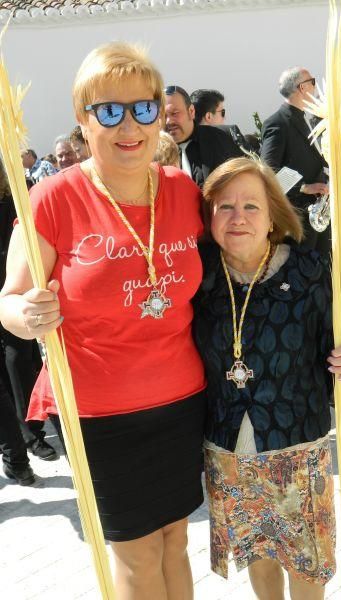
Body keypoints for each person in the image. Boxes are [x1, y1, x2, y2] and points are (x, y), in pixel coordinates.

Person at [0, 42, 207, 600]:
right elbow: (9, 302)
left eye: (143, 108)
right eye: (109, 111)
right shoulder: (51, 199)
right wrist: (28, 313)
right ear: (82, 119)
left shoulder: (186, 192)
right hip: (99, 409)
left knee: (175, 540)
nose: (130, 126)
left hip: (183, 399)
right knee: (136, 553)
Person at [195, 157, 341, 600]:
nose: (238, 218)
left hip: (297, 443)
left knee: (307, 558)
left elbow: (338, 338)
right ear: (208, 216)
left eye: (251, 206)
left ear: (273, 213)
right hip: (227, 444)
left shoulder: (309, 270)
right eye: (225, 207)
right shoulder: (199, 276)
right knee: (257, 549)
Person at [0, 158, 57, 461]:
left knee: (22, 354)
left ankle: (31, 431)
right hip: (14, 286)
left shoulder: (21, 193)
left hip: (17, 285)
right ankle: (24, 437)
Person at [260, 66, 329, 252]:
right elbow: (267, 171)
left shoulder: (304, 118)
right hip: (298, 213)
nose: (315, 87)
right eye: (312, 82)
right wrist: (305, 188)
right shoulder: (278, 122)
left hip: (317, 209)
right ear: (302, 87)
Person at [164, 85, 242, 187]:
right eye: (162, 116)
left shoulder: (224, 138)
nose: (168, 121)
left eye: (175, 113)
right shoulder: (152, 153)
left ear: (191, 112)